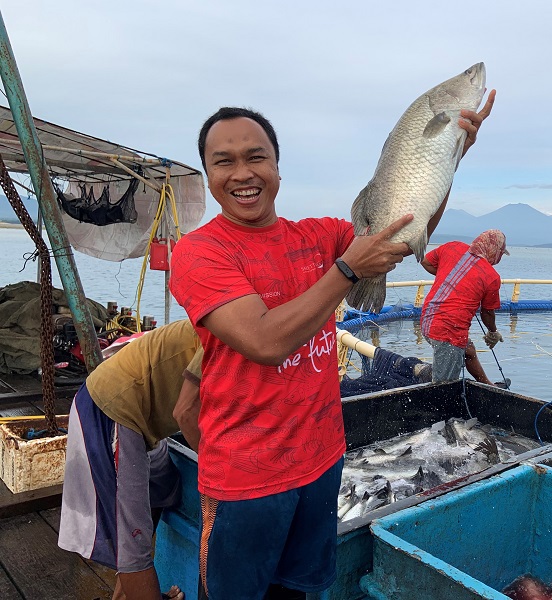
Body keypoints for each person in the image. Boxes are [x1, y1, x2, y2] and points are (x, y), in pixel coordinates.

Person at [168, 93, 495, 600]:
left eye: (256, 157)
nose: (242, 173)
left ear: (277, 167)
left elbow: (402, 232)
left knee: (298, 591)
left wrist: (448, 154)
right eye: (223, 161)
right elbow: (263, 341)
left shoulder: (318, 234)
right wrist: (346, 270)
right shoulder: (200, 251)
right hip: (245, 477)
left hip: (321, 461)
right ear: (208, 174)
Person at [58, 319, 203, 600]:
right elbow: (186, 413)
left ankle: (127, 591)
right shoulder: (225, 334)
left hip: (142, 421)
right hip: (112, 411)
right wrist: (220, 474)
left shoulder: (231, 325)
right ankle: (137, 578)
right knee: (133, 535)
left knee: (165, 486)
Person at [419, 229, 508, 385]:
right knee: (445, 386)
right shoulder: (491, 277)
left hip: (427, 319)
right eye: (500, 253)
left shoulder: (452, 246)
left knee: (469, 351)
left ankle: (488, 385)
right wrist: (493, 332)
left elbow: (426, 261)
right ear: (495, 250)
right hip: (448, 332)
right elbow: (487, 313)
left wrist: (450, 279)